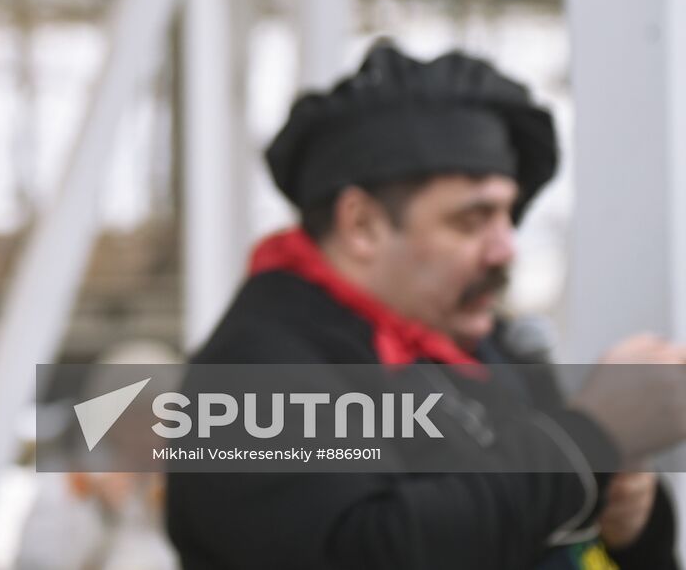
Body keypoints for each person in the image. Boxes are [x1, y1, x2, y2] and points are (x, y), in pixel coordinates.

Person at [166, 42, 686, 570]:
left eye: (509, 216)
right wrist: (588, 439)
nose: (505, 248)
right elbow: (368, 549)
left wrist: (632, 519)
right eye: (470, 220)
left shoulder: (489, 346)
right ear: (361, 226)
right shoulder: (251, 375)